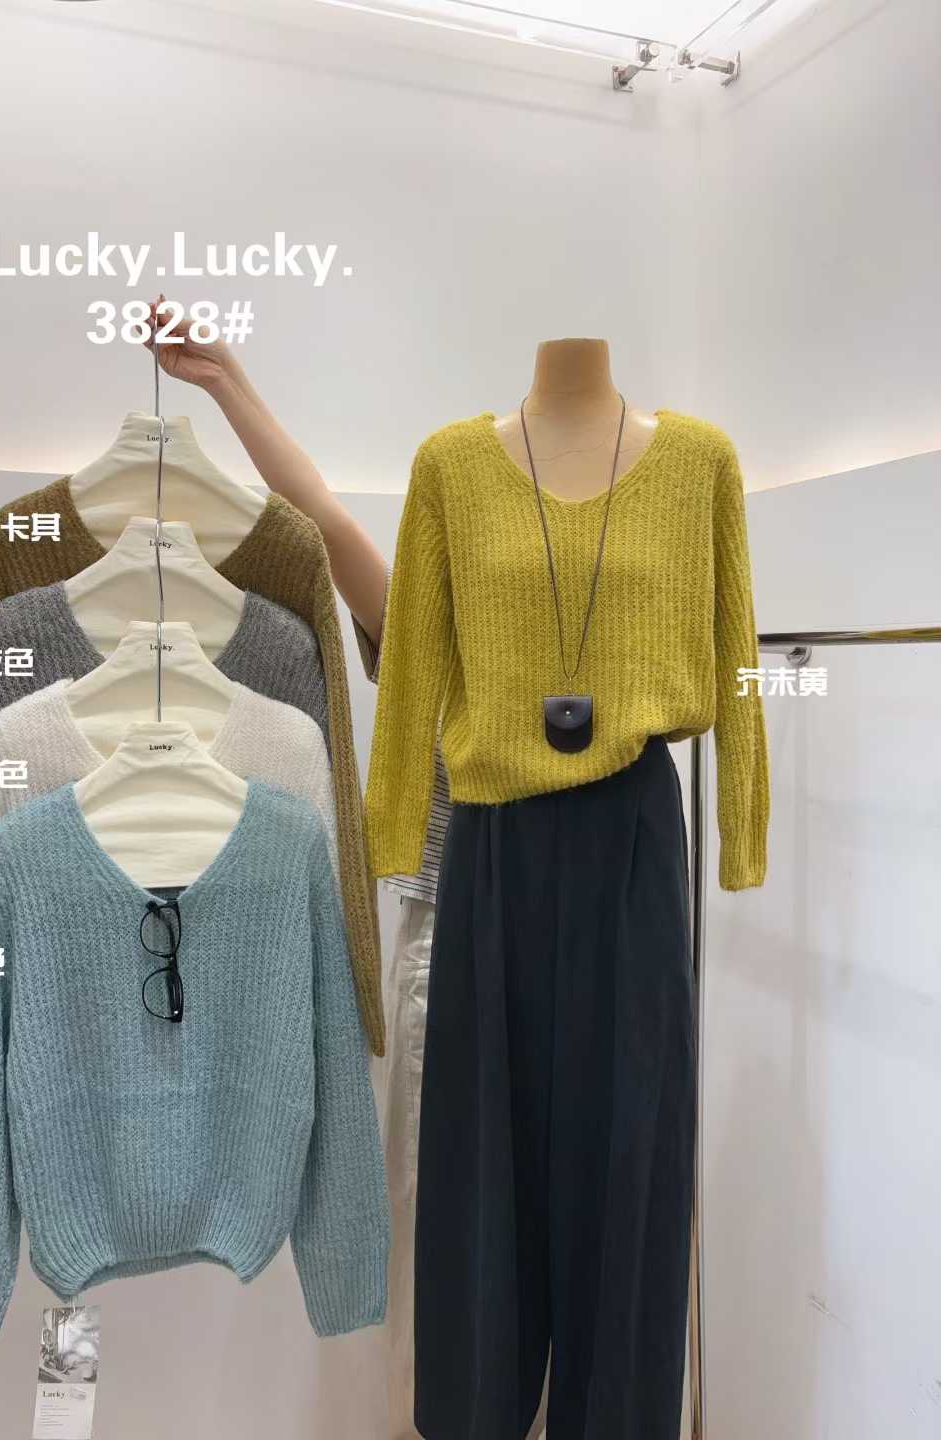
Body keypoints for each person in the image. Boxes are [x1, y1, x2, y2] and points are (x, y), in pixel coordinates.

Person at [144, 299, 549, 1440]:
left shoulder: (608, 653)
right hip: (449, 941)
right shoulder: (438, 626)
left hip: (569, 947)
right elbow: (321, 521)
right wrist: (228, 384)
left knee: (561, 1228)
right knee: (446, 1245)